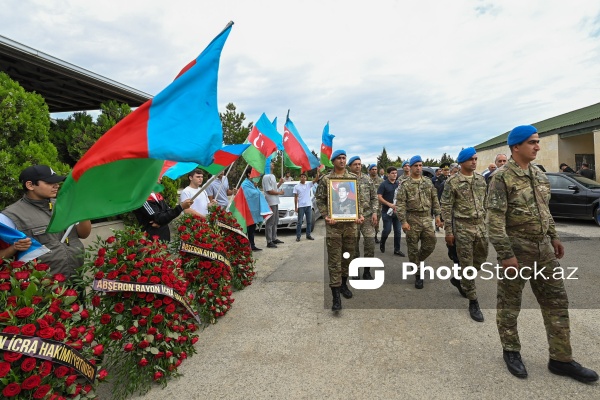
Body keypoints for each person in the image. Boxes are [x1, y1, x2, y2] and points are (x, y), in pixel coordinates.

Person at [487, 124, 598, 382]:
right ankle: (511, 351)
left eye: (538, 142)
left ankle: (561, 359)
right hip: (516, 251)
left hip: (544, 251)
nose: (537, 146)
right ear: (516, 146)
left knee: (557, 303)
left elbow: (544, 211)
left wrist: (554, 237)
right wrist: (506, 255)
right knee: (509, 305)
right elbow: (494, 221)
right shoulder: (501, 177)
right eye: (532, 142)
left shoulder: (538, 175)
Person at [0, 165, 92, 279]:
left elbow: (83, 234)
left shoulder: (64, 205)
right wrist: (13, 248)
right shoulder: (9, 216)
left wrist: (84, 213)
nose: (56, 185)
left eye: (57, 182)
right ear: (30, 185)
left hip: (76, 279)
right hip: (43, 288)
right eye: (49, 182)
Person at [440, 147, 487, 322]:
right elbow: (446, 207)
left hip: (481, 227)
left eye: (475, 159)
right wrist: (449, 232)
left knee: (480, 260)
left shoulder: (481, 180)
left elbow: (485, 203)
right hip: (462, 227)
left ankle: (459, 279)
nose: (474, 162)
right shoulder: (452, 182)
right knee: (467, 264)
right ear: (462, 162)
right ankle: (473, 301)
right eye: (470, 159)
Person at [315, 150, 364, 311]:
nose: (342, 161)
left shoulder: (353, 179)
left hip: (351, 226)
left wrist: (360, 215)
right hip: (334, 226)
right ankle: (336, 297)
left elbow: (359, 200)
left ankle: (344, 284)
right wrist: (325, 215)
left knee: (348, 256)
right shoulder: (326, 180)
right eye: (339, 158)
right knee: (334, 259)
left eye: (344, 158)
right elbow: (320, 199)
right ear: (333, 161)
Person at [396, 155, 443, 289]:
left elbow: (434, 198)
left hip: (427, 218)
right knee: (412, 248)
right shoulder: (405, 184)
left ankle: (418, 261)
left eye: (420, 165)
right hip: (412, 218)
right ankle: (418, 274)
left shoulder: (428, 182)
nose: (418, 168)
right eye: (416, 165)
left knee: (431, 243)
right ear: (410, 167)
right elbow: (400, 205)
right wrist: (403, 221)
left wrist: (438, 215)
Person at [348, 156, 378, 280]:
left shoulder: (367, 180)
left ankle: (367, 271)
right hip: (351, 217)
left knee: (370, 243)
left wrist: (375, 212)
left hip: (367, 216)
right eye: (355, 164)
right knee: (353, 245)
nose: (358, 166)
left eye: (359, 164)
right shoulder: (345, 180)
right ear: (350, 166)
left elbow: (374, 197)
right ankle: (355, 269)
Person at [377, 166, 405, 257]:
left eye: (396, 173)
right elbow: (379, 197)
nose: (394, 175)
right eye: (392, 173)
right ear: (388, 174)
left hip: (397, 212)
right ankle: (382, 242)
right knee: (387, 230)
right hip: (386, 211)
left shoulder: (399, 184)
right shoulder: (383, 184)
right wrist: (389, 204)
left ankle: (397, 249)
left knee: (398, 231)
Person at [241, 168, 270, 251]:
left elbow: (258, 194)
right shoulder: (245, 184)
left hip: (253, 211)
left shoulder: (253, 184)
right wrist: (255, 188)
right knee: (246, 229)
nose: (256, 175)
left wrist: (255, 187)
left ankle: (252, 245)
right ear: (249, 174)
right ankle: (245, 246)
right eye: (253, 173)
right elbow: (251, 194)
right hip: (247, 210)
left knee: (252, 229)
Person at [262, 160, 285, 248]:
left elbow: (274, 188)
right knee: (270, 222)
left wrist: (280, 183)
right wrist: (280, 193)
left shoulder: (272, 176)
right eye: (271, 163)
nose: (273, 164)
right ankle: (269, 241)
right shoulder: (266, 177)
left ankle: (274, 238)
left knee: (275, 221)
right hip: (270, 201)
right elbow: (269, 191)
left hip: (275, 201)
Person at [293, 172, 318, 242]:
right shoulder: (296, 187)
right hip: (301, 206)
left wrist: (318, 173)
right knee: (299, 222)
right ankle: (298, 236)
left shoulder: (308, 185)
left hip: (308, 206)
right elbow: (295, 197)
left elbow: (316, 180)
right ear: (299, 178)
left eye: (304, 177)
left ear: (306, 178)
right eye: (301, 177)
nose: (303, 178)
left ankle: (308, 235)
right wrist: (296, 207)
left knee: (309, 221)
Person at [367, 164, 383, 243]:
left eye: (375, 169)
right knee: (367, 224)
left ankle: (375, 236)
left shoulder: (381, 181)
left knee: (376, 223)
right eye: (372, 169)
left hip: (377, 207)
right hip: (367, 206)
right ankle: (368, 238)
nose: (374, 171)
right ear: (369, 171)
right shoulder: (366, 180)